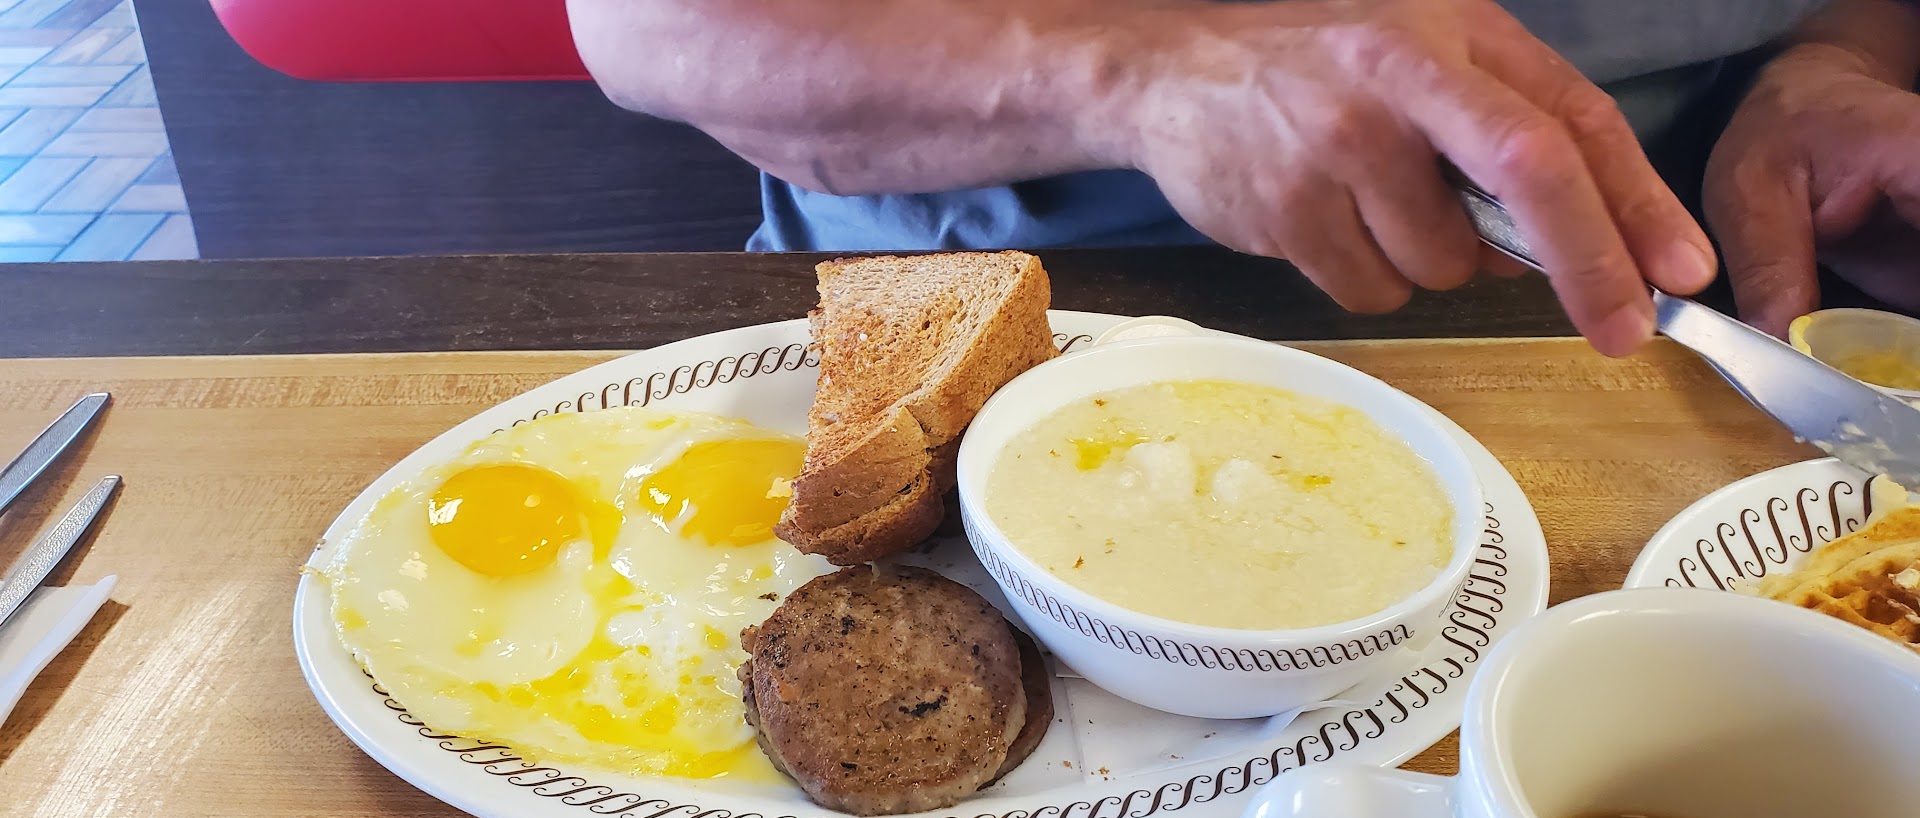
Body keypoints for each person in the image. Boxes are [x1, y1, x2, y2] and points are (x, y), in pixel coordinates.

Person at [567, 0, 1919, 353]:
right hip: (999, 304)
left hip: (1708, 326)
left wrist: (1831, 64)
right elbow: (658, 26)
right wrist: (1146, 71)